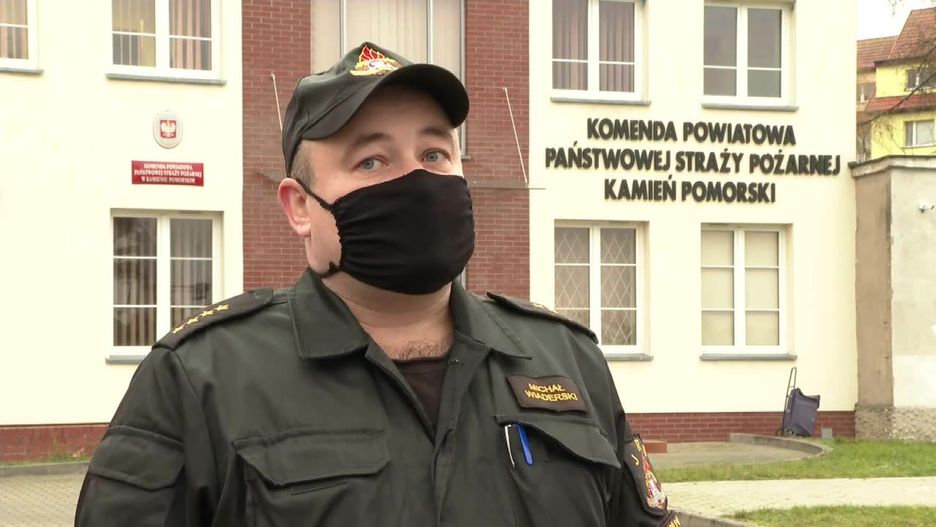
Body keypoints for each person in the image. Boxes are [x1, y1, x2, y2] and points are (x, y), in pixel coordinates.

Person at [75, 42, 680, 527]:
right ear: (299, 207)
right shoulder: (201, 378)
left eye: (435, 155)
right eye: (372, 161)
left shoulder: (567, 360)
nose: (417, 181)